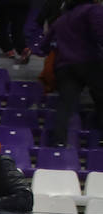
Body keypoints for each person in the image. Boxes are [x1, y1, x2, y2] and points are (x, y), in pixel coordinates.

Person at [42, 0, 103, 147]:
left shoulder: (62, 19)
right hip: (89, 62)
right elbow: (100, 33)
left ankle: (59, 141)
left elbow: (44, 45)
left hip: (64, 66)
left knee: (65, 105)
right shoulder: (93, 10)